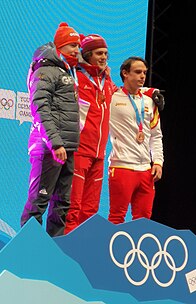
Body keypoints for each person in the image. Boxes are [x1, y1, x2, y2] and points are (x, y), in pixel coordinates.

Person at [20, 22, 81, 236]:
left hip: (66, 146)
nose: (77, 50)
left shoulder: (65, 70)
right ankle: (26, 251)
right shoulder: (45, 69)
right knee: (39, 199)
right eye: (72, 45)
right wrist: (55, 142)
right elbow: (40, 106)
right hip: (49, 146)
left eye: (78, 46)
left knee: (62, 204)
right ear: (59, 46)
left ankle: (53, 253)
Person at [64, 34, 117, 234]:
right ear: (87, 54)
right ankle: (66, 250)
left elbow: (123, 94)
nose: (104, 57)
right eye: (99, 53)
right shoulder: (76, 76)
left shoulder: (106, 79)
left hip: (99, 154)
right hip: (79, 151)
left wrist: (149, 92)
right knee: (73, 207)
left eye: (105, 53)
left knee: (91, 210)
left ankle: (84, 252)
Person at [108, 56, 164, 224]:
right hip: (121, 165)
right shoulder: (112, 98)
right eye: (138, 72)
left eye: (144, 73)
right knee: (117, 217)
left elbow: (156, 135)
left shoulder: (149, 102)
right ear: (125, 73)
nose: (142, 76)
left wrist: (158, 162)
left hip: (146, 169)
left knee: (144, 220)